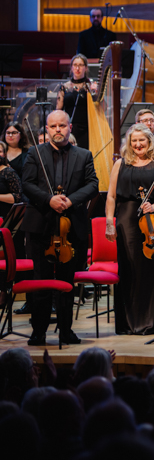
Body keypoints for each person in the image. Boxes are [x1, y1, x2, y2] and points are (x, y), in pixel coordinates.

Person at [22, 110, 99, 345]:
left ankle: (66, 330)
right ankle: (39, 331)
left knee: (67, 283)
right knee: (41, 281)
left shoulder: (83, 155)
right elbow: (27, 184)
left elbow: (93, 184)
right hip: (41, 227)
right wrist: (49, 200)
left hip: (71, 228)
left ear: (70, 127)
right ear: (47, 129)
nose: (58, 130)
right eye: (53, 126)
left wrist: (71, 200)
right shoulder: (35, 153)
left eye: (62, 126)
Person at [105, 124, 154, 335]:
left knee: (150, 271)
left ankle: (150, 322)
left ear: (149, 141)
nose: (137, 144)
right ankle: (127, 323)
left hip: (151, 220)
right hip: (125, 220)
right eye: (133, 141)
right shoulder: (120, 164)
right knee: (128, 269)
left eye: (141, 140)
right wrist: (109, 221)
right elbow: (111, 196)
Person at [56, 55, 99, 150]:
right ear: (71, 67)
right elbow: (58, 110)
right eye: (75, 65)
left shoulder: (91, 86)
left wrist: (95, 92)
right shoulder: (64, 87)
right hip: (69, 128)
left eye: (81, 65)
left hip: (87, 128)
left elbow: (99, 106)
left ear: (86, 68)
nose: (77, 68)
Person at [0, 143, 22, 222]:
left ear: (4, 154)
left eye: (0, 151)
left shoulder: (9, 172)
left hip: (4, 216)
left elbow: (17, 197)